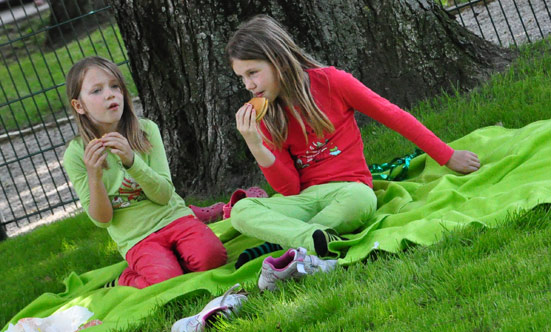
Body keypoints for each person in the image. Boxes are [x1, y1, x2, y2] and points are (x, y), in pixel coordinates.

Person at [226, 15, 480, 259]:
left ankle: (291, 241)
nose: (248, 85)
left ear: (278, 61)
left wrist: (447, 156)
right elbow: (290, 189)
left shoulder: (332, 82)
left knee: (360, 200)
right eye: (242, 77)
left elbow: (393, 116)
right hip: (305, 200)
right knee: (241, 211)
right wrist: (256, 145)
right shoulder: (268, 116)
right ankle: (309, 240)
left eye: (253, 73)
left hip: (350, 191)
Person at [63, 56, 227, 288]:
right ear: (79, 106)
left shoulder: (147, 130)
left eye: (115, 86)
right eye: (97, 90)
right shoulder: (76, 154)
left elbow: (163, 195)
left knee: (213, 258)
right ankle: (126, 279)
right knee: (167, 281)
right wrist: (95, 177)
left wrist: (132, 161)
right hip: (137, 239)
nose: (110, 94)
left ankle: (184, 247)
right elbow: (103, 220)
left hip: (173, 218)